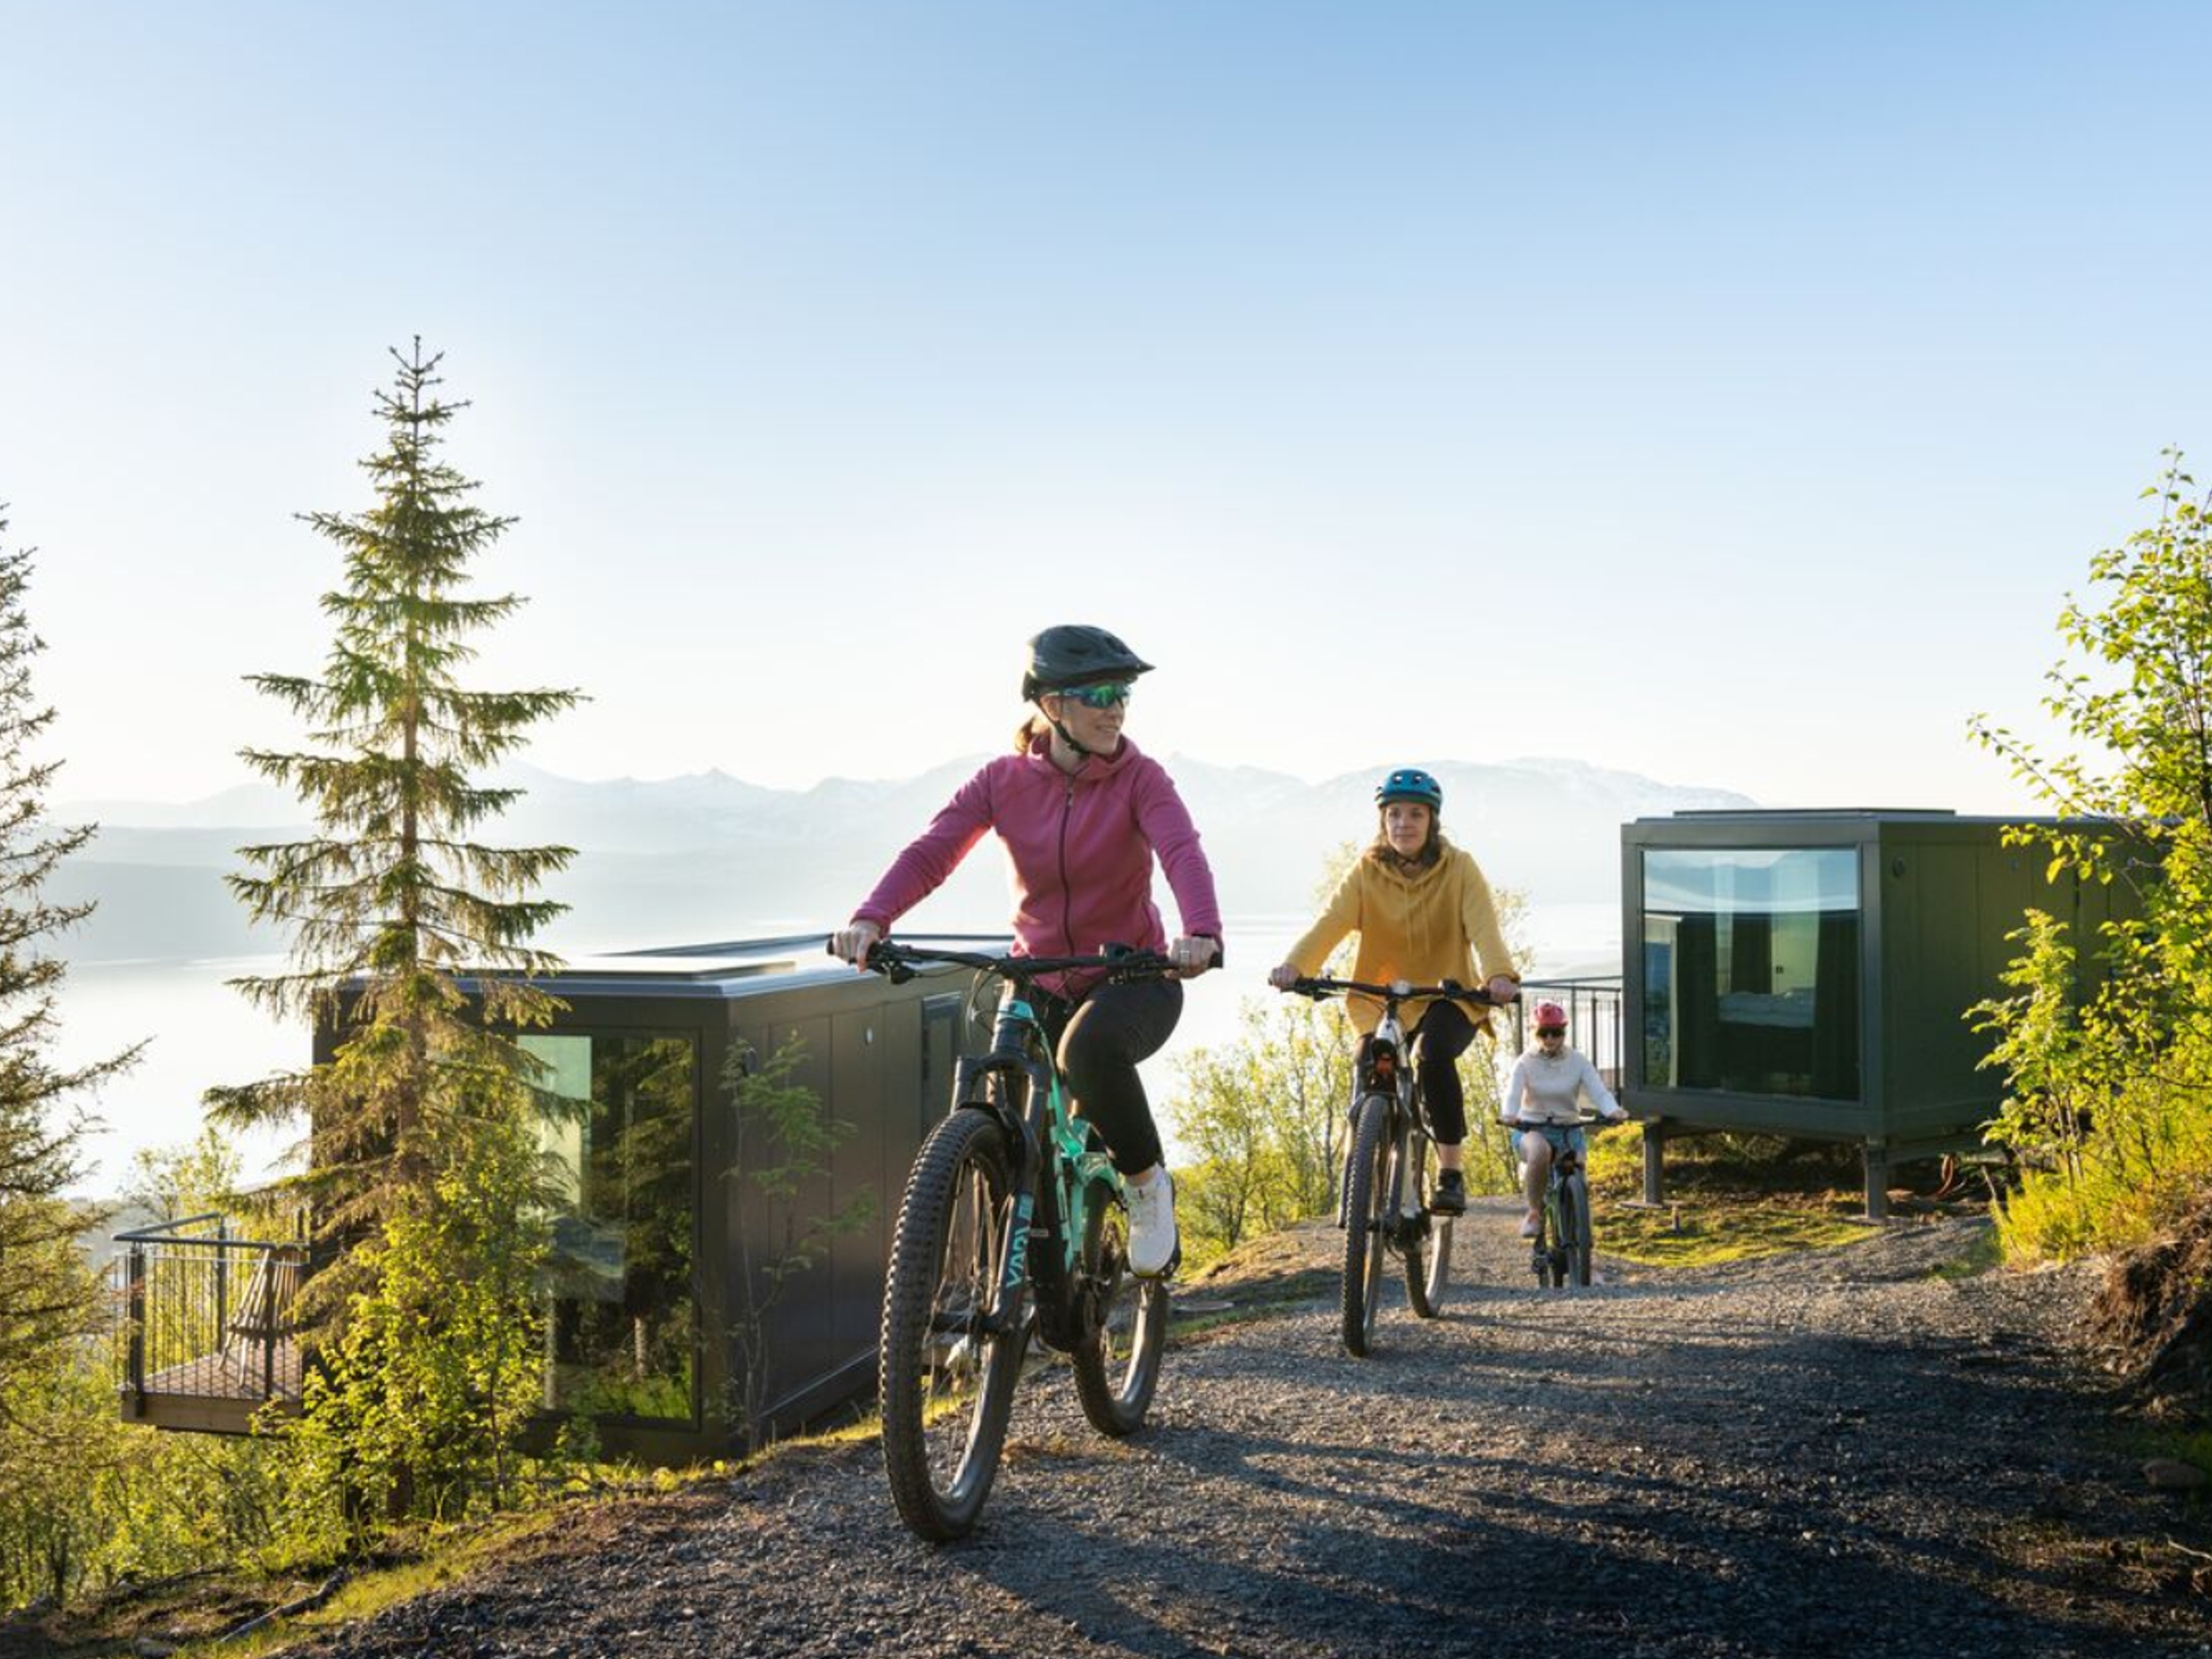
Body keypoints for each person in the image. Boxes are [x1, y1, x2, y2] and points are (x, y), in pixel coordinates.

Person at [830, 624, 1222, 1275]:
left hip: (1133, 976)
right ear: (1051, 705)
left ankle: (1148, 1185)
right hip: (1037, 973)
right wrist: (872, 919)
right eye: (1098, 693)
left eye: (1122, 692)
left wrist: (1201, 933)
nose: (1116, 707)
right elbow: (934, 850)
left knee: (1088, 1054)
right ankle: (1007, 1285)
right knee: (1011, 1101)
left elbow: (1182, 851)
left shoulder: (1142, 780)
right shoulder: (1001, 781)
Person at [1266, 768, 1519, 1216]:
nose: (1404, 823)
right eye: (1395, 814)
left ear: (1432, 821)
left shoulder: (1460, 868)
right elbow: (1331, 922)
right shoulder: (1367, 871)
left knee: (1434, 1056)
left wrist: (1498, 975)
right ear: (1383, 820)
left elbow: (1484, 928)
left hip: (1448, 996)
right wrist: (1296, 966)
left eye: (1415, 815)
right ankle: (1367, 1163)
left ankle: (1450, 1173)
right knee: (1369, 1059)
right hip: (1380, 998)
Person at [1501, 999, 1628, 1238]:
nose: (1550, 1039)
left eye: (1556, 1033)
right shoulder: (1524, 1063)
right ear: (1534, 1033)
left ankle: (1587, 1261)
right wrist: (1509, 1115)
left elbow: (1599, 1091)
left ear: (1564, 1033)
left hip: (1569, 1130)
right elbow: (1513, 1093)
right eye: (1543, 1033)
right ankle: (1534, 1213)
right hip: (1531, 1129)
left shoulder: (1578, 1061)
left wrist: (1613, 1110)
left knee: (1580, 1182)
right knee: (1539, 1152)